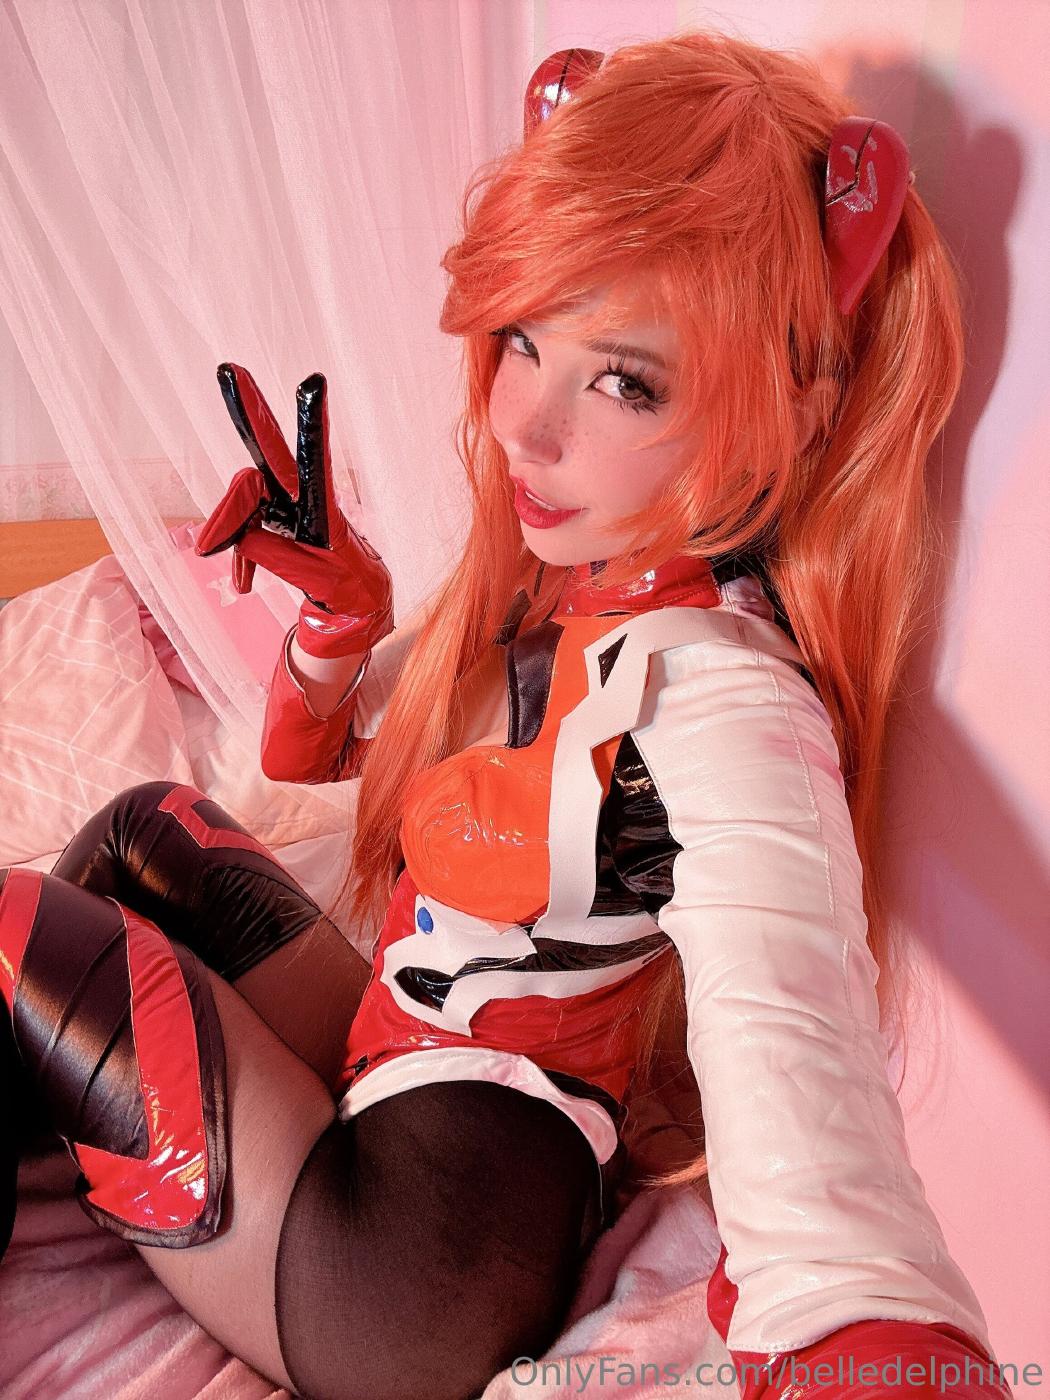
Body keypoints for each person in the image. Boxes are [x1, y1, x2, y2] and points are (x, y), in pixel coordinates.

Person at [0, 31, 1015, 1400]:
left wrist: (863, 1327)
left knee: (10, 923)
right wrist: (341, 618)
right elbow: (312, 753)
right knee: (145, 828)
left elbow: (798, 1039)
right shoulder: (571, 599)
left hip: (397, 1277)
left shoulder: (713, 696)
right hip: (431, 1097)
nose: (523, 424)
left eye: (624, 380)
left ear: (790, 408)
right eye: (522, 342)